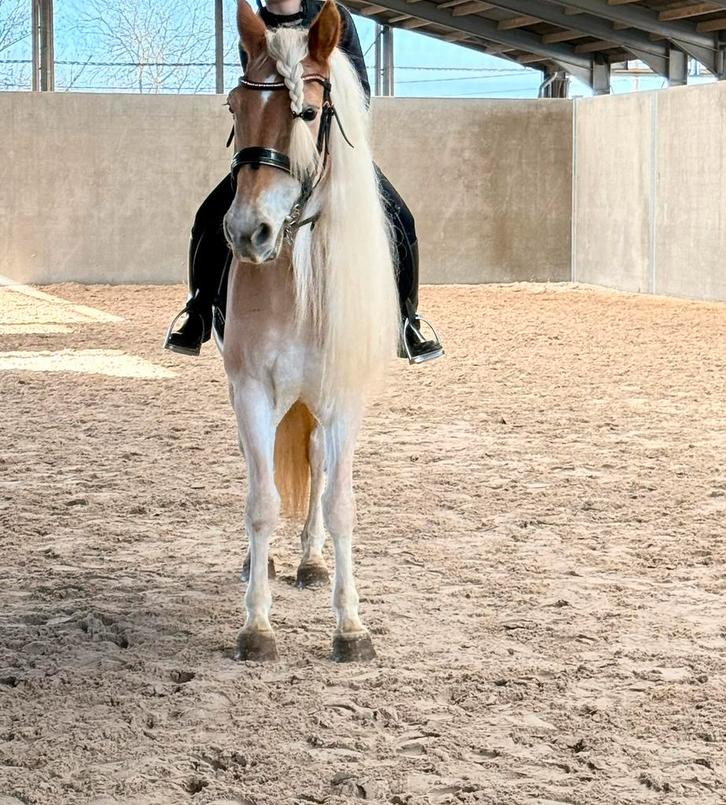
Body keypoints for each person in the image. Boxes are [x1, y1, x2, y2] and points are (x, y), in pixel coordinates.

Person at [164, 0, 444, 365]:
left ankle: (407, 320)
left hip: (327, 143)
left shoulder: (334, 16)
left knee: (400, 219)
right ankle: (199, 311)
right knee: (208, 218)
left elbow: (360, 91)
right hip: (271, 151)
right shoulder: (257, 27)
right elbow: (257, 92)